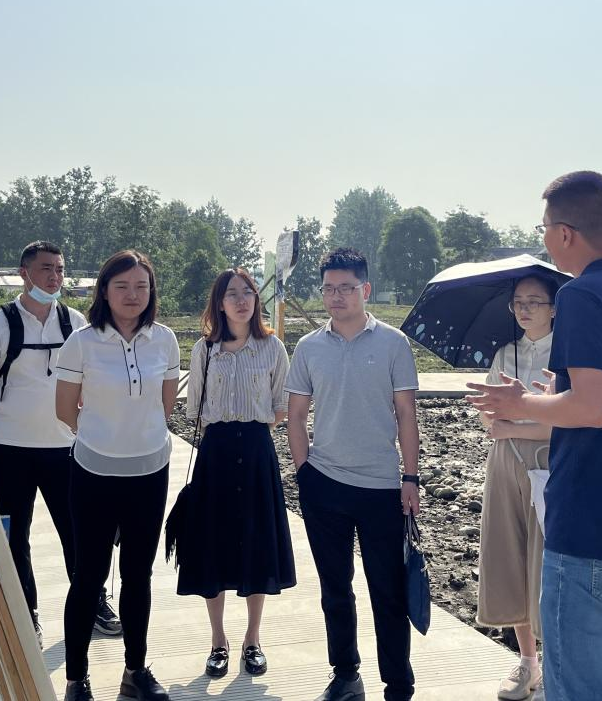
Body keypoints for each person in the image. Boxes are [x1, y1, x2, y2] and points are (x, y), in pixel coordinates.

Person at [467, 171, 602, 701]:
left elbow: (592, 407)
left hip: (593, 534)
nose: (544, 238)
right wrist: (553, 397)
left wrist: (521, 403)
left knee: (579, 688)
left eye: (544, 228)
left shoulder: (583, 295)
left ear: (564, 233)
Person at [0, 241, 120, 644]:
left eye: (60, 269)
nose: (55, 277)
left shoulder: (75, 323)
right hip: (8, 450)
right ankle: (26, 613)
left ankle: (92, 603)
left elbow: (91, 385)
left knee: (81, 533)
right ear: (24, 273)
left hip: (65, 449)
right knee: (14, 537)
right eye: (46, 268)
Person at [286, 247, 421, 701]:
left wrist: (410, 478)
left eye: (346, 288)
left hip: (382, 487)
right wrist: (304, 474)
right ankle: (345, 674)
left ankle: (398, 684)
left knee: (388, 591)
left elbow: (406, 415)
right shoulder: (308, 347)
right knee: (335, 589)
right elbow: (296, 416)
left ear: (365, 289)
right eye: (328, 289)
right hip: (324, 485)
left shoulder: (393, 343)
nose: (336, 296)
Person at [55, 250, 180, 701]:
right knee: (88, 577)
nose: (132, 295)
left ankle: (135, 671)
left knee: (138, 576)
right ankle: (76, 679)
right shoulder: (82, 342)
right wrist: (103, 436)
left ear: (152, 292)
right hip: (94, 472)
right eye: (122, 286)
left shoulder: (164, 340)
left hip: (150, 471)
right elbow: (64, 409)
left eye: (141, 286)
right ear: (104, 291)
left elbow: (165, 405)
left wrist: (136, 436)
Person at [178, 267, 296, 679]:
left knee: (256, 543)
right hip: (216, 453)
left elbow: (281, 406)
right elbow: (194, 408)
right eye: (232, 293)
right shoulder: (204, 350)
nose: (242, 300)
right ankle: (217, 640)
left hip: (258, 451)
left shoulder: (273, 347)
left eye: (248, 292)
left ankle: (252, 639)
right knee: (213, 543)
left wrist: (251, 424)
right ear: (220, 302)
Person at [476, 275, 556, 700]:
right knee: (509, 553)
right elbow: (488, 417)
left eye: (535, 301)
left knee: (548, 561)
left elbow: (570, 421)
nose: (524, 309)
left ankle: (556, 666)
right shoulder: (505, 354)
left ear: (554, 308)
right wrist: (505, 422)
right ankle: (528, 661)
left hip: (550, 461)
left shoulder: (567, 354)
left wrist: (514, 422)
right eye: (518, 302)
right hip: (505, 459)